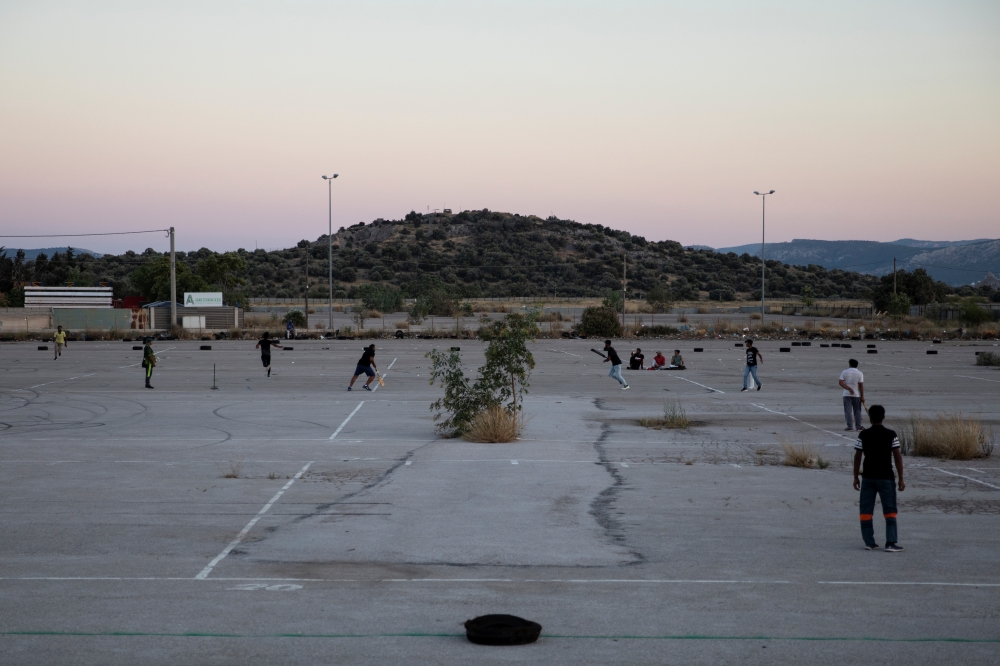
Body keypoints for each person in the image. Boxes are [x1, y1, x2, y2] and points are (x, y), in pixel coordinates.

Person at [853, 404, 905, 552]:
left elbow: (858, 457)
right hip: (886, 477)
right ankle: (890, 542)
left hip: (868, 478)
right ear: (883, 417)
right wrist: (901, 478)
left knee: (866, 510)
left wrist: (856, 477)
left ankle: (869, 542)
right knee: (889, 510)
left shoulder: (863, 435)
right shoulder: (891, 434)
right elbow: (897, 457)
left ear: (869, 418)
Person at [839, 359, 865, 431]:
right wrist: (862, 396)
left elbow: (840, 382)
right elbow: (861, 386)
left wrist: (848, 388)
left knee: (848, 411)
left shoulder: (844, 372)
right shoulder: (860, 373)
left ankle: (850, 426)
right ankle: (858, 426)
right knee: (857, 411)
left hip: (846, 394)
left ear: (850, 364)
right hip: (856, 394)